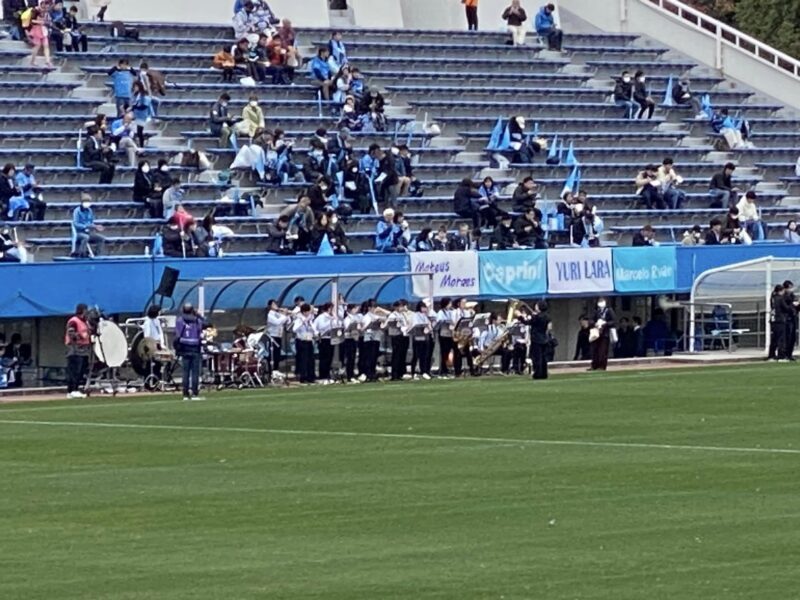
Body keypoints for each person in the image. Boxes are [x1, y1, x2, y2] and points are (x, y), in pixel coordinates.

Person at [174, 303, 204, 401]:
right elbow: (203, 327)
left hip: (184, 347)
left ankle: (185, 394)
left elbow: (178, 335)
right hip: (195, 347)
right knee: (195, 372)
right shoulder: (197, 321)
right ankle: (195, 393)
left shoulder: (179, 320)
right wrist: (198, 315)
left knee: (185, 372)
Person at [64, 303, 91, 398]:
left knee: (80, 371)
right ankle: (72, 390)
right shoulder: (74, 321)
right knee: (74, 370)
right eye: (86, 310)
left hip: (83, 350)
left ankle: (74, 389)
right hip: (75, 349)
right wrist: (79, 337)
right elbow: (71, 333)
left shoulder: (85, 322)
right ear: (83, 310)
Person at [589, 297, 615, 371]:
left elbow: (613, 321)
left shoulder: (609, 310)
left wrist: (605, 324)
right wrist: (595, 324)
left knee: (603, 351)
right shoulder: (596, 311)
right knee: (595, 350)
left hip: (605, 334)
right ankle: (594, 365)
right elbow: (591, 320)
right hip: (596, 333)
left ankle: (602, 366)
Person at [293, 303, 316, 384]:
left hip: (309, 340)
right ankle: (303, 377)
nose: (309, 313)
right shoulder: (299, 319)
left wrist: (315, 332)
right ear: (304, 312)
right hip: (301, 341)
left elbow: (314, 329)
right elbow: (294, 329)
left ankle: (311, 377)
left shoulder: (310, 319)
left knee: (311, 359)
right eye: (308, 311)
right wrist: (302, 322)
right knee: (303, 360)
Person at [410, 301, 433, 379]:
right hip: (417, 338)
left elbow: (429, 325)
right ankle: (413, 372)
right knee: (416, 355)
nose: (424, 309)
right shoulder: (415, 315)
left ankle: (424, 371)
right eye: (423, 307)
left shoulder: (425, 315)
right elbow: (415, 325)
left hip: (425, 338)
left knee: (424, 356)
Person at [529, 300, 552, 379]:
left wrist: (520, 316)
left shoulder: (537, 317)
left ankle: (537, 373)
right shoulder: (547, 316)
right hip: (544, 339)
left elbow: (528, 322)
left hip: (536, 339)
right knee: (543, 358)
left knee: (537, 357)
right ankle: (544, 373)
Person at [783, 280, 798, 361]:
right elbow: (785, 307)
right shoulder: (783, 296)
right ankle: (785, 354)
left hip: (793, 317)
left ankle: (790, 354)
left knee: (792, 337)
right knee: (787, 337)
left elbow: (796, 306)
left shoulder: (792, 295)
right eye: (790, 288)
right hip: (786, 318)